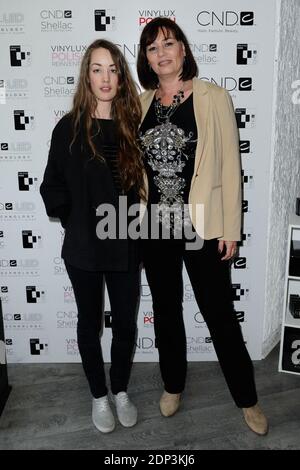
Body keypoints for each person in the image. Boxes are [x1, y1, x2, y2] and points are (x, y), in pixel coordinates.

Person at [137, 18, 268, 436]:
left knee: (219, 314)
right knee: (166, 311)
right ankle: (173, 385)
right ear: (146, 58)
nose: (162, 53)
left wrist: (231, 229)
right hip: (156, 225)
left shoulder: (213, 97)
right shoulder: (140, 103)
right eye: (153, 48)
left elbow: (232, 167)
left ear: (183, 50)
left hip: (203, 224)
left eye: (169, 44)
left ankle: (247, 398)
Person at [40, 39, 145, 433]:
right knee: (89, 323)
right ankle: (99, 396)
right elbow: (52, 187)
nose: (105, 77)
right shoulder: (67, 127)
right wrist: (76, 222)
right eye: (97, 68)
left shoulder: (132, 124)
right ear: (87, 75)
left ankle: (120, 390)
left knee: (126, 323)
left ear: (121, 76)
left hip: (127, 243)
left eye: (113, 69)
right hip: (84, 247)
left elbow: (144, 189)